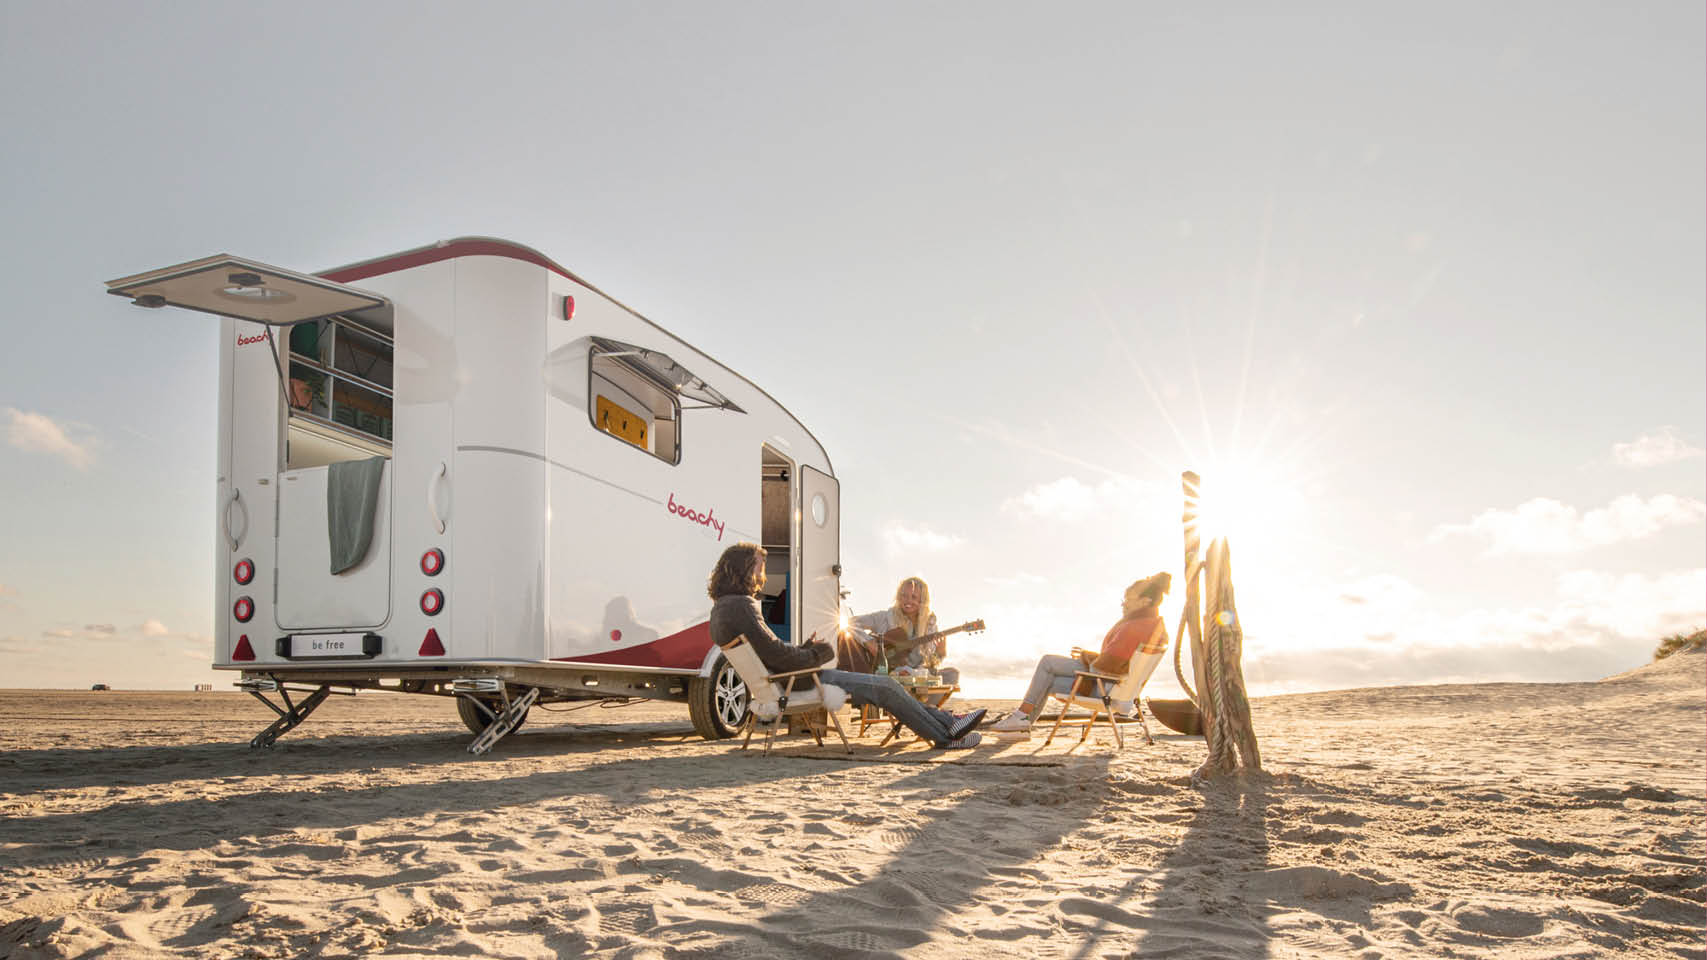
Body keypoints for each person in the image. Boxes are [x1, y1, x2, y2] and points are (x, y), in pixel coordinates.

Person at [706, 543, 984, 748]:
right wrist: (818, 652)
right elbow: (775, 653)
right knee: (887, 687)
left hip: (786, 677)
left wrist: (804, 647)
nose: (763, 573)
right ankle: (945, 736)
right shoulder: (742, 606)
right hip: (797, 680)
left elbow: (769, 652)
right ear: (743, 569)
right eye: (759, 566)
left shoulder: (724, 607)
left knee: (888, 688)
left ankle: (947, 725)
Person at [989, 572, 1171, 738]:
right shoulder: (1152, 626)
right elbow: (1117, 663)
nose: (1124, 603)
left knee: (1047, 664)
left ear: (1145, 601)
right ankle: (1021, 723)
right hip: (1119, 690)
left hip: (1104, 690)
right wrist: (1088, 655)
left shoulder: (1134, 628)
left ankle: (1021, 719)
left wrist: (1088, 658)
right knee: (1049, 672)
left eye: (1128, 599)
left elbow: (1105, 667)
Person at [848, 576, 960, 688]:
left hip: (915, 676)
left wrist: (939, 654)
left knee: (952, 674)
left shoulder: (930, 627)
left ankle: (918, 702)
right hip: (889, 675)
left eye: (914, 597)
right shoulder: (885, 617)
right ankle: (916, 703)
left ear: (922, 600)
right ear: (898, 597)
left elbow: (928, 664)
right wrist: (868, 641)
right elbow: (850, 622)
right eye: (904, 596)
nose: (908, 601)